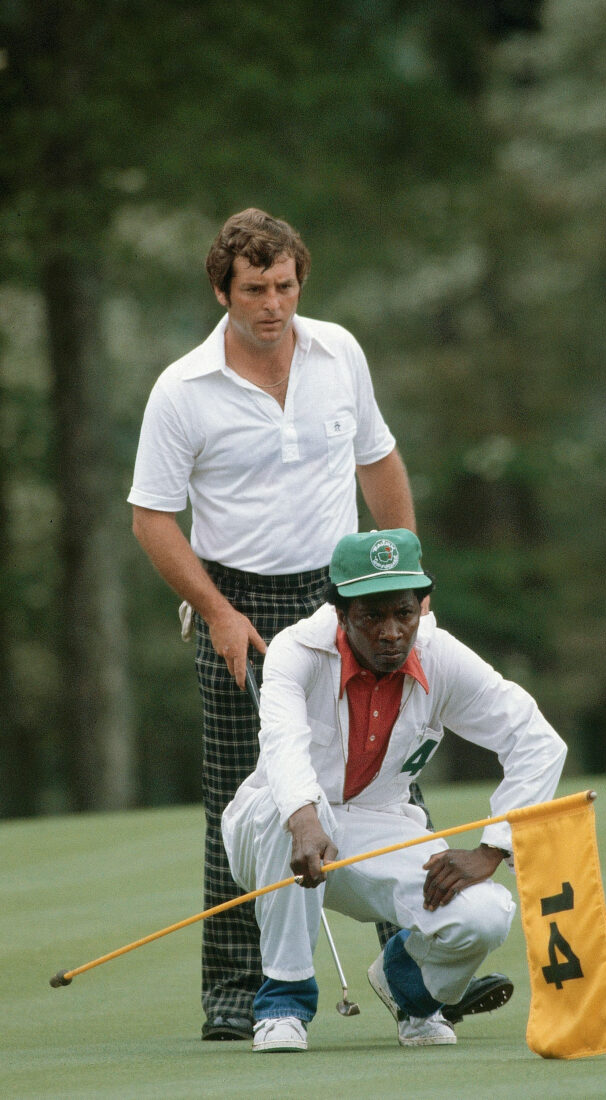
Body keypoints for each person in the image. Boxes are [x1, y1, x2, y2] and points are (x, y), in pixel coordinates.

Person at [127, 209, 496, 1040]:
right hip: (239, 602)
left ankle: (415, 973)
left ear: (301, 282)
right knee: (245, 800)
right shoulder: (181, 389)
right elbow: (152, 517)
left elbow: (379, 461)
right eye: (253, 289)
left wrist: (406, 584)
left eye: (284, 286)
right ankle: (236, 996)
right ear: (222, 290)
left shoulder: (340, 353)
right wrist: (218, 613)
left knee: (385, 775)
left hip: (348, 593)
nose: (272, 304)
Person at [221, 528, 568, 1052]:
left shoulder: (441, 654)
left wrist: (495, 847)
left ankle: (409, 986)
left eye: (403, 613)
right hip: (275, 833)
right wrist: (305, 817)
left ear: (422, 606)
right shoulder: (295, 651)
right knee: (283, 799)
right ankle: (284, 1001)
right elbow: (283, 746)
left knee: (486, 915)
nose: (391, 632)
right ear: (340, 613)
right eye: (372, 616)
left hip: (379, 823)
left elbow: (538, 742)